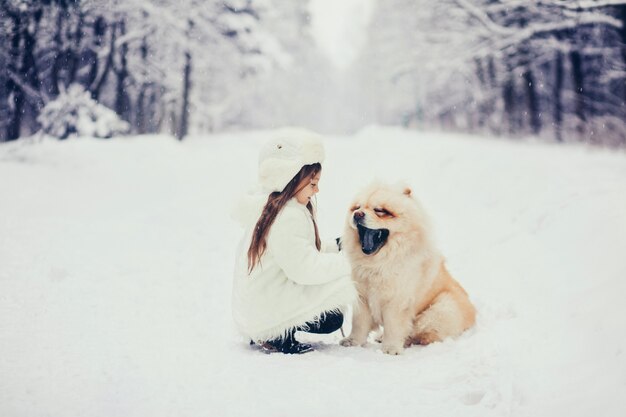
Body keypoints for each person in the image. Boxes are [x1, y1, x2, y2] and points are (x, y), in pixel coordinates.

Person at [231, 128, 356, 354]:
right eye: (312, 183)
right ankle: (277, 335)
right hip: (266, 314)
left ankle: (271, 330)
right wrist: (350, 262)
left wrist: (336, 245)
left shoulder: (273, 208)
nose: (317, 189)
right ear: (291, 179)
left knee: (332, 303)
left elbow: (299, 250)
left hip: (257, 307)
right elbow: (305, 269)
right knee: (335, 313)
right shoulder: (287, 217)